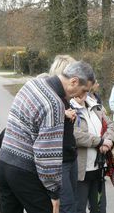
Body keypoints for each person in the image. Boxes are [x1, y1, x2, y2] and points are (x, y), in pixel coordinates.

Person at [0, 61, 95, 213]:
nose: (83, 95)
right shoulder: (54, 104)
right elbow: (46, 154)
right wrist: (54, 193)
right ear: (73, 81)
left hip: (3, 163)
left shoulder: (33, 83)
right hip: (25, 171)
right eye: (83, 90)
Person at [70, 94, 114, 213]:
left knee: (99, 208)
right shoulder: (69, 109)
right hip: (80, 170)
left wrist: (108, 141)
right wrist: (100, 142)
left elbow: (110, 125)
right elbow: (76, 136)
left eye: (84, 89)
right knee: (79, 208)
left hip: (99, 167)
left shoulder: (96, 106)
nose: (81, 93)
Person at [48, 55, 78, 213]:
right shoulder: (52, 98)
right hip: (59, 162)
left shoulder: (67, 99)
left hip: (70, 157)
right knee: (66, 207)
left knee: (73, 204)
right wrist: (62, 114)